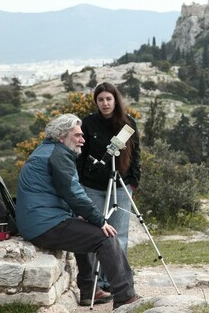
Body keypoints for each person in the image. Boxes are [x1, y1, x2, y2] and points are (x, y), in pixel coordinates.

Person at [16, 114, 140, 309]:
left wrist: (86, 217)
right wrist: (100, 221)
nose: (83, 139)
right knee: (106, 237)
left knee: (86, 229)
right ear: (61, 136)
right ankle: (125, 297)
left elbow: (63, 192)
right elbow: (73, 193)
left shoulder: (47, 150)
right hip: (45, 224)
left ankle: (90, 292)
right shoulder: (59, 154)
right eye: (77, 136)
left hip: (37, 221)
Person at [76, 82, 141, 291]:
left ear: (115, 100)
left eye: (108, 99)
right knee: (97, 234)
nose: (105, 103)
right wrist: (80, 181)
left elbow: (136, 154)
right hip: (93, 186)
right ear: (96, 102)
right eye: (101, 99)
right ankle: (98, 285)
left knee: (119, 235)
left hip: (121, 186)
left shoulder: (127, 123)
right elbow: (81, 155)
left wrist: (133, 182)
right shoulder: (88, 123)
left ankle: (117, 282)